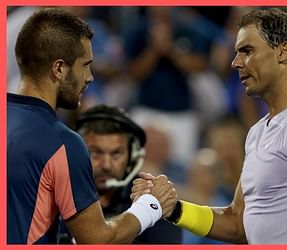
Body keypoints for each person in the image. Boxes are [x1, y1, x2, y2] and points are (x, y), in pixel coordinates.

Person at [132, 8, 287, 244]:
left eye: (247, 51)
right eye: (236, 53)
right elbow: (237, 223)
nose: (235, 63)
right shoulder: (258, 132)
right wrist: (173, 208)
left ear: (284, 51)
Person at [7, 8, 177, 244]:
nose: (90, 77)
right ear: (59, 69)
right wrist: (151, 205)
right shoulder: (63, 144)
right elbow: (99, 241)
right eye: (85, 65)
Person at [56, 105, 183, 244]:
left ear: (131, 158)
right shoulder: (53, 195)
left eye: (116, 154)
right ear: (77, 154)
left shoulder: (154, 198)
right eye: (96, 153)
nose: (106, 165)